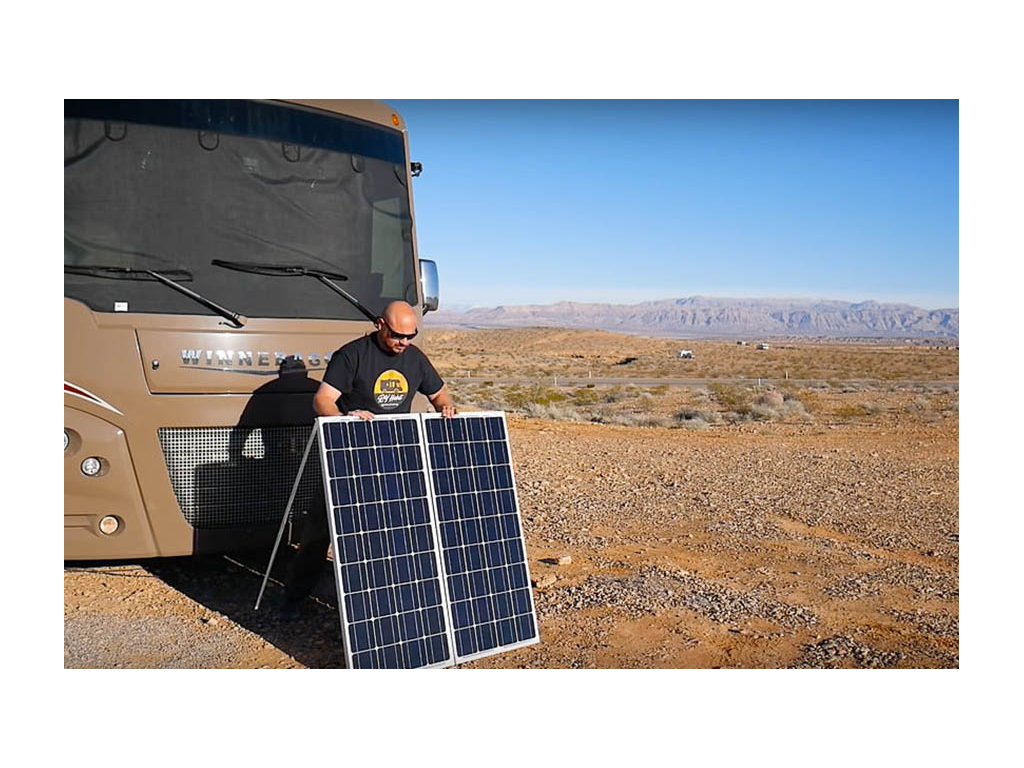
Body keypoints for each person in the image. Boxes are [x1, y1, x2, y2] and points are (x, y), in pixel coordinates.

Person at [279, 301, 456, 618]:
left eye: (410, 336)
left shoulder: (415, 359)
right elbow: (322, 400)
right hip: (348, 454)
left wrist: (446, 408)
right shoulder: (352, 355)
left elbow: (440, 394)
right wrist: (346, 418)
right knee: (321, 531)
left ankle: (383, 602)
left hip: (395, 457)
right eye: (398, 336)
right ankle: (294, 598)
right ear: (380, 325)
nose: (404, 342)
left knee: (390, 531)